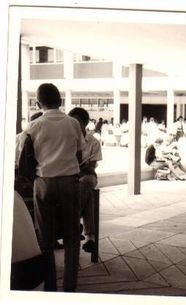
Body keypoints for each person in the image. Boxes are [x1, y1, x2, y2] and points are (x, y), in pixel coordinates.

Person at [26, 83, 83, 292]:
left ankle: (50, 286)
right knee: (71, 235)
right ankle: (69, 287)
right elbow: (80, 154)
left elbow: (27, 158)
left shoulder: (34, 126)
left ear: (38, 103)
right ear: (60, 101)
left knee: (45, 237)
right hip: (69, 181)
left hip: (44, 182)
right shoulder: (73, 123)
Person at [68, 107, 102, 253]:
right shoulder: (66, 139)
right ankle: (90, 237)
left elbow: (91, 167)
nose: (73, 125)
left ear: (85, 123)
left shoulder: (93, 142)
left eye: (76, 122)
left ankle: (71, 225)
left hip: (86, 177)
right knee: (87, 194)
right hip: (73, 177)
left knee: (85, 182)